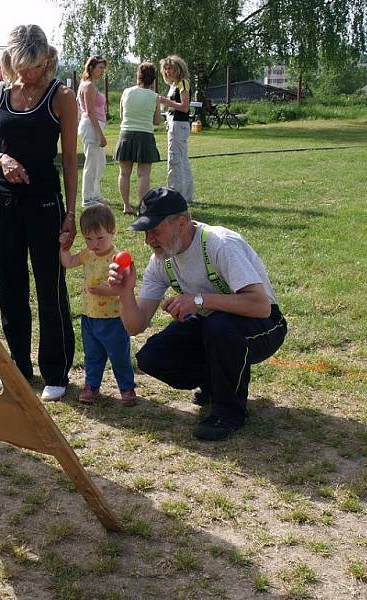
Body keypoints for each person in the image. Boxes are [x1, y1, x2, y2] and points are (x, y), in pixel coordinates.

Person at [108, 187, 287, 441]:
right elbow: (135, 326)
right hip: (212, 326)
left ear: (181, 223)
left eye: (155, 230)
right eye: (146, 232)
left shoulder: (220, 244)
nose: (149, 240)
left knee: (220, 326)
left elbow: (260, 305)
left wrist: (198, 300)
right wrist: (125, 292)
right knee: (152, 356)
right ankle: (216, 384)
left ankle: (229, 411)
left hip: (265, 326)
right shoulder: (161, 260)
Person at [0, 25, 77, 402]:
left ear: (46, 60)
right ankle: (17, 367)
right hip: (4, 200)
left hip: (45, 201)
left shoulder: (61, 97)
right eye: (22, 66)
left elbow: (69, 159)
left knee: (50, 284)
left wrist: (70, 213)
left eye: (35, 66)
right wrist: (2, 159)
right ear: (11, 60)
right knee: (10, 283)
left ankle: (56, 368)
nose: (28, 74)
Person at [59, 204, 138, 406]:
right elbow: (68, 262)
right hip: (90, 317)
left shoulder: (117, 258)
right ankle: (91, 386)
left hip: (113, 319)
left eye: (100, 238)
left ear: (112, 232)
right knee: (92, 356)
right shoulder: (87, 253)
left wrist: (107, 290)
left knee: (119, 356)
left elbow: (124, 287)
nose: (94, 243)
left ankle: (127, 388)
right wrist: (63, 249)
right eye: (88, 238)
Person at [114, 62, 162, 215]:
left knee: (124, 173)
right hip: (145, 136)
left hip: (126, 134)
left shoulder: (126, 92)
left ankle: (126, 206)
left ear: (138, 76)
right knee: (144, 175)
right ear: (153, 79)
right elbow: (157, 120)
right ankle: (142, 207)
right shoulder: (155, 97)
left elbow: (122, 115)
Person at [158, 55, 194, 204]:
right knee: (182, 160)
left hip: (178, 124)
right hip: (174, 124)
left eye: (170, 68)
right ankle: (186, 195)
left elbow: (185, 107)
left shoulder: (183, 83)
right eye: (165, 69)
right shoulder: (174, 85)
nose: (167, 72)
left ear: (178, 69)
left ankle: (175, 196)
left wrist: (166, 102)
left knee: (175, 161)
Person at [77, 56, 109, 207]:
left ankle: (95, 195)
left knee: (99, 163)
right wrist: (100, 134)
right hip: (91, 127)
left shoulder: (90, 85)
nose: (102, 71)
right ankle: (88, 198)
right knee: (92, 163)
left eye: (103, 68)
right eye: (100, 68)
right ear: (91, 68)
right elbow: (90, 112)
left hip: (94, 125)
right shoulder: (88, 85)